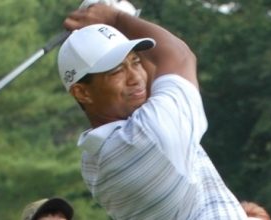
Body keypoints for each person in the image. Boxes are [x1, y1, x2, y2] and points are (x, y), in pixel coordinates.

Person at [56, 1, 248, 219]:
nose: (135, 77)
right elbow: (179, 57)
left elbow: (151, 82)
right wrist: (116, 18)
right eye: (116, 71)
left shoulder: (93, 161)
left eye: (135, 61)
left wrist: (115, 28)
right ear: (82, 93)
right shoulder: (148, 137)